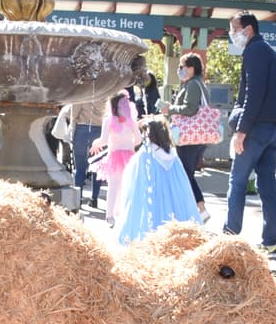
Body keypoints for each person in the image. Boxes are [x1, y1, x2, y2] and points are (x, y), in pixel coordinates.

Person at [222, 12, 276, 255]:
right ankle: (272, 240)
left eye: (234, 29)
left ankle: (229, 238)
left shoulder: (254, 51)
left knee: (237, 181)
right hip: (274, 129)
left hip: (256, 128)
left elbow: (253, 93)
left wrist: (241, 131)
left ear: (247, 30)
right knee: (267, 186)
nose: (232, 35)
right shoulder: (269, 52)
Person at [114, 116, 204, 245]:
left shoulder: (145, 154)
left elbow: (133, 179)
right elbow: (182, 183)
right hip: (174, 198)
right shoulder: (173, 155)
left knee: (152, 220)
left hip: (153, 195)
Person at [160, 52, 211, 222]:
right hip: (197, 137)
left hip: (189, 137)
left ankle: (200, 209)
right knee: (186, 173)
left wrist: (171, 109)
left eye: (181, 67)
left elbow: (190, 109)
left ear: (191, 68)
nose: (179, 70)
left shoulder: (192, 85)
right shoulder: (199, 84)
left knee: (184, 174)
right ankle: (196, 209)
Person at [90, 90, 141, 228]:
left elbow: (104, 140)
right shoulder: (132, 122)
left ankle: (110, 216)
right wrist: (129, 144)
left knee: (113, 187)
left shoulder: (108, 121)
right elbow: (139, 140)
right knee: (127, 187)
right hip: (129, 157)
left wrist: (95, 143)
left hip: (114, 156)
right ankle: (124, 213)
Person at [70, 99, 104, 206]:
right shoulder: (106, 92)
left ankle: (78, 199)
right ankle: (94, 199)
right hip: (100, 131)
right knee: (97, 167)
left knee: (80, 168)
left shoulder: (83, 94)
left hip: (82, 130)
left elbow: (73, 115)